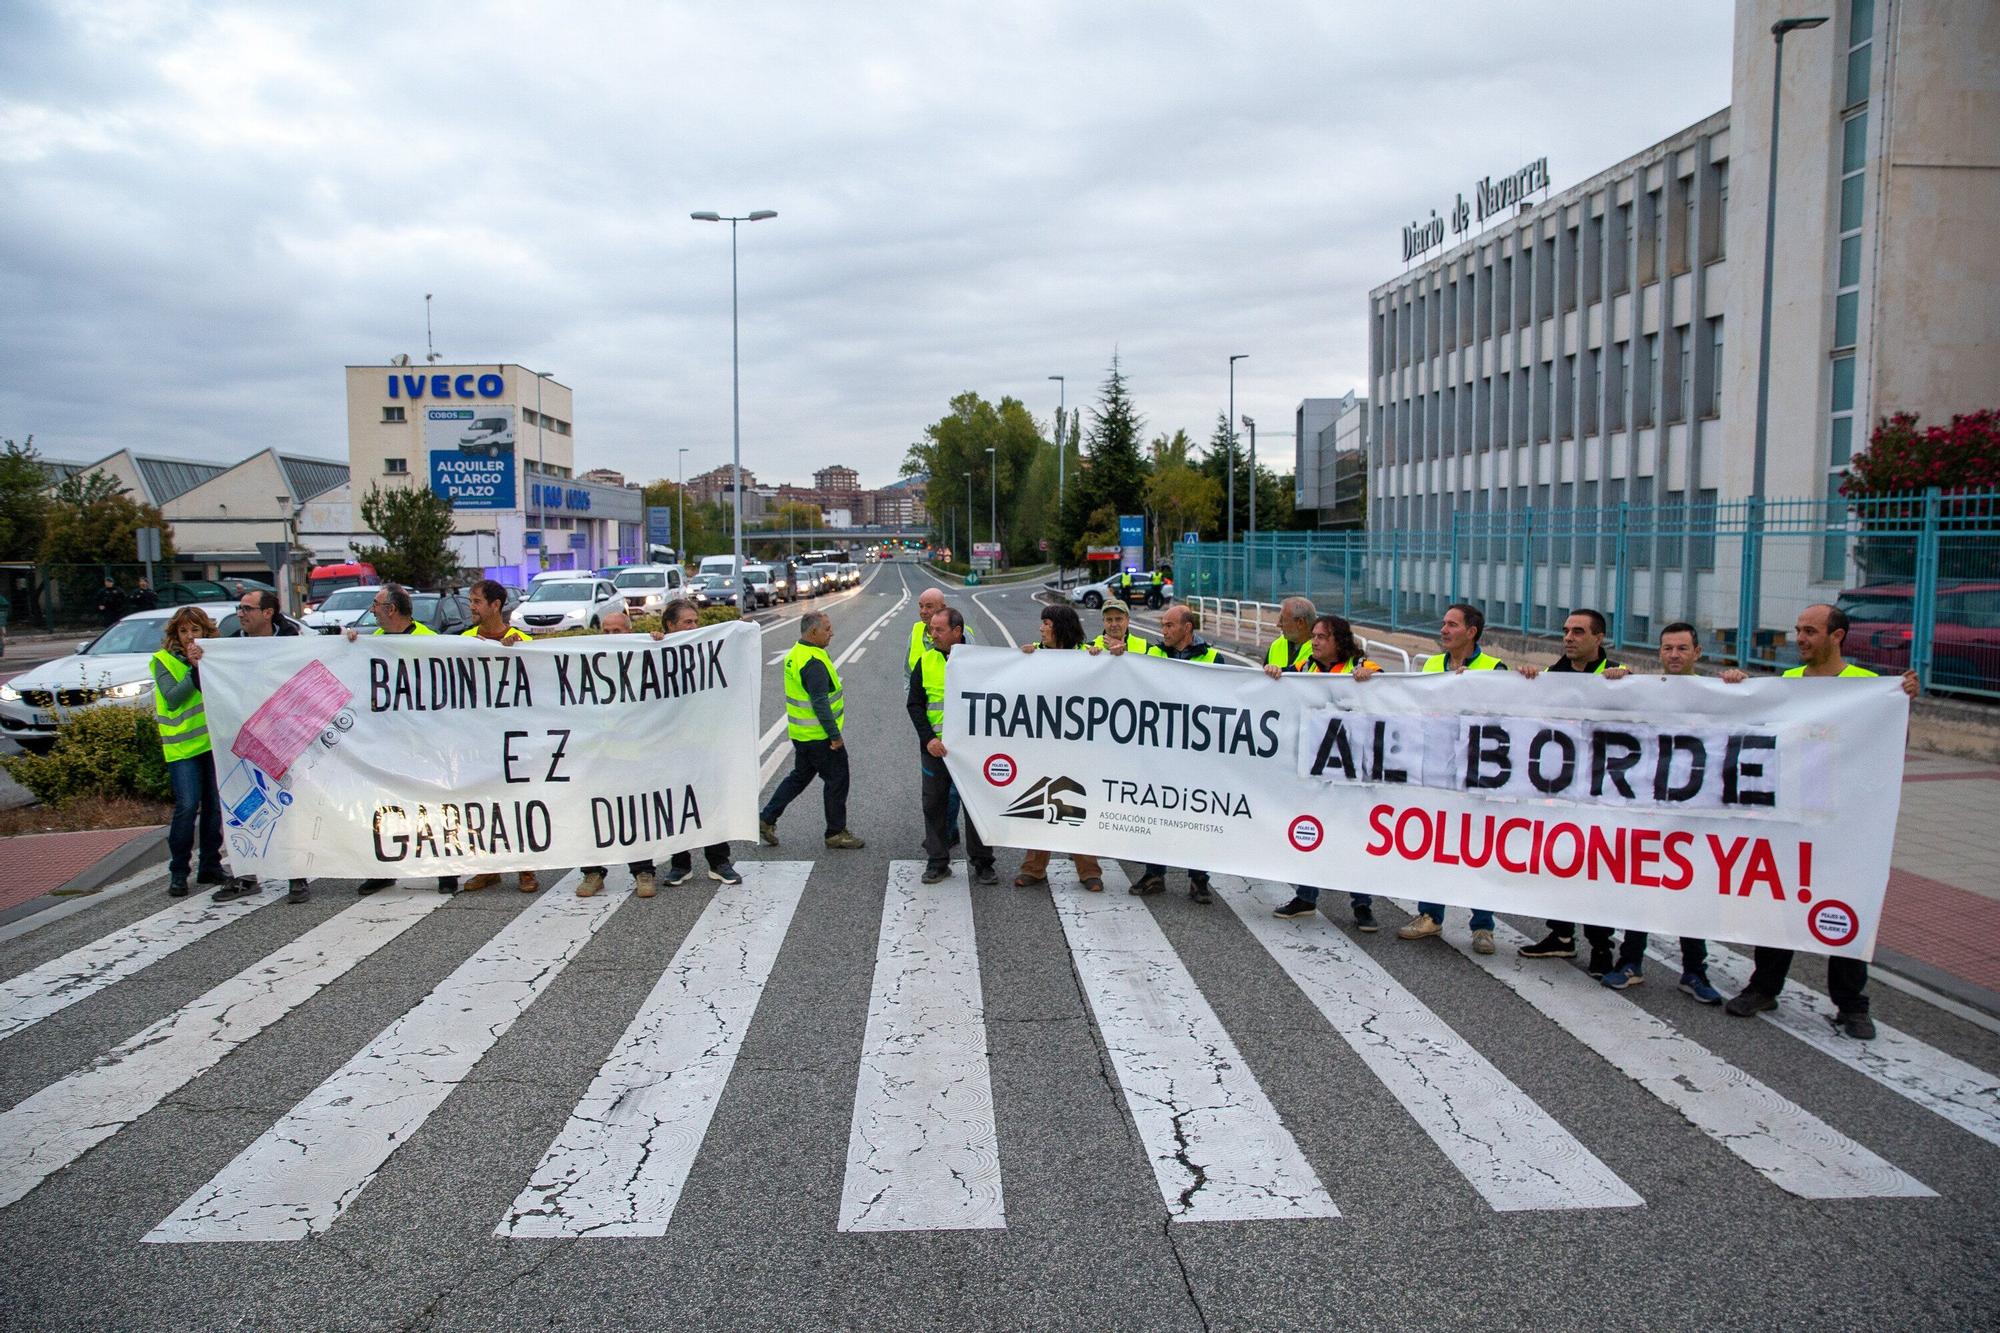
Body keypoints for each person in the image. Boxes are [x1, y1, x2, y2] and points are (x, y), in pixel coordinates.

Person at [1721, 604, 1918, 1040]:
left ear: (1837, 636)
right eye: (1797, 631)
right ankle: (1764, 987)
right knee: (1778, 905)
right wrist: (1734, 688)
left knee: (1845, 907)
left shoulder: (1868, 687)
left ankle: (1851, 1005)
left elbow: (1891, 744)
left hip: (1844, 823)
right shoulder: (1788, 684)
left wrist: (1902, 702)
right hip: (1789, 818)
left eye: (1810, 631)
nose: (1800, 639)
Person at [1596, 622, 1725, 1001]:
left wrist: (1738, 682)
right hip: (1649, 809)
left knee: (1690, 893)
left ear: (1697, 653)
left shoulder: (1715, 693)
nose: (1673, 655)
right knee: (1643, 890)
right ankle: (1631, 963)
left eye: (1682, 648)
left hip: (1693, 813)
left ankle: (1694, 970)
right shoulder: (1647, 690)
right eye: (1667, 648)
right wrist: (1618, 678)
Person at [581, 599, 739, 898]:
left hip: (701, 740)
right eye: (686, 623)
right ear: (669, 626)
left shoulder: (698, 648)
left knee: (707, 798)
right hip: (663, 745)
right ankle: (680, 864)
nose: (694, 627)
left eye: (696, 622)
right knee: (673, 802)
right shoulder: (647, 652)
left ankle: (719, 861)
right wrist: (655, 644)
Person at [1516, 609, 1628, 975]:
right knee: (1557, 864)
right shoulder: (1551, 677)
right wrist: (1525, 683)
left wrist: (1626, 683)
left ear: (1599, 638)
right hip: (1558, 792)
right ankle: (1561, 935)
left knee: (1595, 873)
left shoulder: (1619, 678)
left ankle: (1600, 944)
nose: (1568, 638)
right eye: (1565, 631)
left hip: (1602, 794)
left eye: (1578, 632)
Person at [1396, 603, 1505, 953]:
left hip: (1478, 775)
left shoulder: (1494, 669)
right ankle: (1430, 915)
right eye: (1443, 623)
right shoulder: (1431, 665)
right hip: (1436, 771)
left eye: (1452, 624)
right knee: (1434, 844)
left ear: (1472, 632)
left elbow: (1507, 716)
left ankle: (1483, 926)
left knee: (1477, 849)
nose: (1443, 630)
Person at [1267, 614, 1382, 928]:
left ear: (1338, 641)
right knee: (1310, 832)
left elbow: (1388, 687)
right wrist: (1275, 672)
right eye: (1314, 636)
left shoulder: (1361, 667)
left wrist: (1368, 677)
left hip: (1350, 772)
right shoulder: (1307, 668)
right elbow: (1286, 682)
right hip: (1315, 769)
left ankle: (1362, 906)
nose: (1314, 642)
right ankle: (1306, 897)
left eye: (1321, 637)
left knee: (1353, 838)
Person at [350, 585, 458, 898]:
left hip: (426, 741)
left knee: (433, 803)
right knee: (384, 805)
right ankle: (384, 869)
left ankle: (446, 869)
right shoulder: (375, 643)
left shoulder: (428, 640)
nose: (372, 610)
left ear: (392, 609)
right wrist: (351, 647)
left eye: (375, 604)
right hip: (388, 741)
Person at [1131, 604, 1223, 904]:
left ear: (1188, 627)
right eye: (1163, 625)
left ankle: (1199, 880)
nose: (1164, 631)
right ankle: (1154, 873)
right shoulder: (1154, 655)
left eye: (1170, 625)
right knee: (1156, 812)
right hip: (1160, 751)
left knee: (1196, 817)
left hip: (1196, 753)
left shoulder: (1213, 657)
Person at [1013, 605, 1104, 892]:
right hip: (1044, 746)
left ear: (1061, 627)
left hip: (1079, 748)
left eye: (1046, 623)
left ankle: (1089, 871)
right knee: (1040, 805)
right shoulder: (1036, 654)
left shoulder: (1088, 654)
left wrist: (1105, 660)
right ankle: (1034, 868)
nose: (1041, 628)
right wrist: (1021, 661)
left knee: (1077, 805)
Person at [228, 589, 308, 905]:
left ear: (267, 613)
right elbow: (204, 683)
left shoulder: (293, 641)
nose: (241, 613)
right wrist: (198, 665)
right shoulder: (232, 645)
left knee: (288, 808)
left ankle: (297, 877)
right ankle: (246, 875)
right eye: (239, 608)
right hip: (247, 738)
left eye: (247, 608)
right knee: (245, 806)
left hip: (283, 737)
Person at [762, 610, 866, 851]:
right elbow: (820, 702)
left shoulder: (797, 654)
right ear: (813, 632)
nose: (832, 633)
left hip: (802, 735)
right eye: (827, 629)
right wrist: (835, 736)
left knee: (799, 778)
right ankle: (835, 832)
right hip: (820, 737)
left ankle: (766, 818)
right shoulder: (813, 662)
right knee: (838, 779)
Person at [911, 607, 995, 885]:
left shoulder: (980, 661)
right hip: (935, 750)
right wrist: (929, 739)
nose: (932, 634)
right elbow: (915, 705)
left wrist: (1027, 656)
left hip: (971, 751)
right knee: (933, 805)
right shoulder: (925, 662)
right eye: (931, 629)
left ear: (957, 632)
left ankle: (983, 863)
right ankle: (937, 861)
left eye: (938, 629)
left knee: (975, 806)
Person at [152, 607, 227, 899]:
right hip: (182, 747)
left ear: (205, 632)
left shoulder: (217, 658)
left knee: (213, 807)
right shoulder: (162, 661)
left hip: (211, 743)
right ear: (175, 635)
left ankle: (210, 864)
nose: (189, 637)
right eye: (183, 631)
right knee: (187, 806)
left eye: (195, 630)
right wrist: (194, 669)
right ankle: (179, 871)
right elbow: (172, 699)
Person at [462, 578, 530, 646]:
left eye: (477, 601)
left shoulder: (523, 641)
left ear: (496, 605)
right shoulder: (464, 638)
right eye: (470, 601)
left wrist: (519, 648)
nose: (471, 607)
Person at [1086, 601, 1157, 657]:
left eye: (1118, 619)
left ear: (1128, 620)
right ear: (1103, 622)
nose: (1114, 624)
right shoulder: (1089, 647)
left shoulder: (1146, 648)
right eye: (1109, 619)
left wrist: (1125, 652)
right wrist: (1089, 657)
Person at [1265, 596, 1316, 670]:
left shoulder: (1322, 650)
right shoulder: (1277, 644)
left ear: (1300, 622)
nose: (1278, 624)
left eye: (1282, 620)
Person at [906, 587, 949, 673]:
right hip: (917, 685)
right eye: (921, 606)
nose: (923, 611)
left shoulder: (958, 633)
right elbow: (907, 671)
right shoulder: (916, 631)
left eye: (929, 607)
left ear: (943, 608)